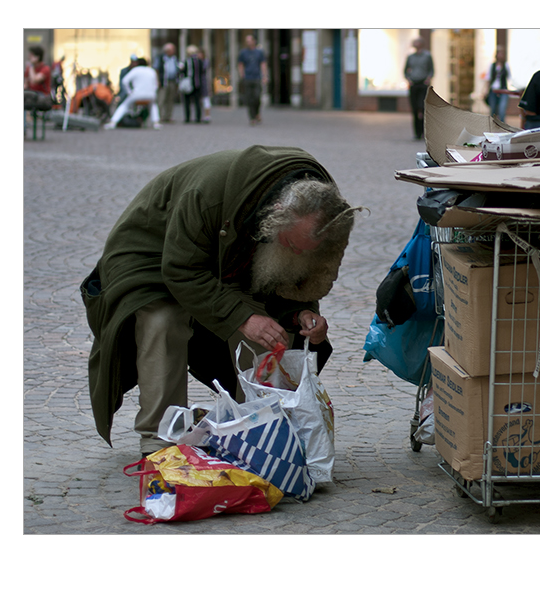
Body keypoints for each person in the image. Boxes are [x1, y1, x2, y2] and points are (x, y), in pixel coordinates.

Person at [80, 146, 362, 456]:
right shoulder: (207, 195)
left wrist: (302, 314)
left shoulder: (322, 211)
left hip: (223, 263)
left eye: (305, 251)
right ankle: (160, 440)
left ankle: (257, 429)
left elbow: (290, 281)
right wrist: (242, 318)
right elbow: (181, 271)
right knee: (164, 320)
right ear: (276, 214)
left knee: (271, 332)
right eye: (293, 245)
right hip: (154, 258)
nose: (297, 254)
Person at [103, 58, 161, 129]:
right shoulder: (152, 71)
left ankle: (113, 122)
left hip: (136, 94)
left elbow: (124, 81)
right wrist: (153, 91)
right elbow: (156, 84)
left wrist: (129, 92)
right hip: (150, 95)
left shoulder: (135, 70)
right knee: (153, 105)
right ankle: (156, 123)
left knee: (124, 105)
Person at [404, 37, 434, 140]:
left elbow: (431, 69)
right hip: (414, 84)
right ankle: (416, 133)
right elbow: (405, 70)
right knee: (414, 108)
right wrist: (409, 79)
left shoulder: (427, 56)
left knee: (422, 108)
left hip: (423, 84)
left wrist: (428, 79)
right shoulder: (410, 57)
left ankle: (424, 132)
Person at [238, 34, 268, 125]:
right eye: (247, 41)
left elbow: (263, 64)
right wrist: (242, 75)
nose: (248, 43)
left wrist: (264, 76)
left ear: (254, 41)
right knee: (249, 99)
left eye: (250, 41)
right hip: (248, 78)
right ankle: (252, 118)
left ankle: (257, 113)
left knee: (257, 97)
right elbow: (240, 65)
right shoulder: (243, 53)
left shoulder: (259, 52)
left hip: (257, 78)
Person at [485, 46, 514, 122]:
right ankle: (492, 126)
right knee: (493, 110)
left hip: (503, 90)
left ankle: (502, 126)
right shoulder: (492, 65)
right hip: (493, 90)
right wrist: (486, 90)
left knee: (502, 110)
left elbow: (510, 77)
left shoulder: (505, 65)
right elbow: (488, 78)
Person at [154, 43, 180, 123]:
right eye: (172, 50)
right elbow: (156, 69)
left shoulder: (175, 58)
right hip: (163, 81)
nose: (173, 52)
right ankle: (159, 116)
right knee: (161, 99)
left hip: (172, 81)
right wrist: (157, 80)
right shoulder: (161, 58)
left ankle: (168, 116)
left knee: (170, 99)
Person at [181, 45, 205, 124]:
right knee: (197, 101)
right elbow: (202, 71)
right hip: (197, 83)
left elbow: (183, 72)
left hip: (188, 84)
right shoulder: (199, 61)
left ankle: (188, 118)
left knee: (187, 102)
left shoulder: (187, 61)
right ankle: (198, 117)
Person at [199, 48, 212, 123]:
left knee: (206, 99)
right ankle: (200, 115)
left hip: (204, 82)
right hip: (197, 82)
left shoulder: (206, 62)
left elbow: (203, 68)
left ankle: (207, 115)